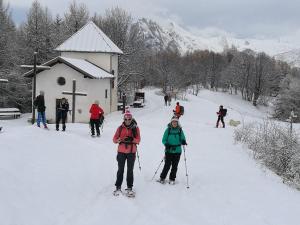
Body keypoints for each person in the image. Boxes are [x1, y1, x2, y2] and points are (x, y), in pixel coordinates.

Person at [112, 110, 141, 196]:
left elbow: (138, 140)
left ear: (132, 119)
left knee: (130, 170)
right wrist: (118, 140)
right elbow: (114, 139)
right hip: (121, 151)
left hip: (131, 152)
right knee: (120, 169)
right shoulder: (120, 128)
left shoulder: (136, 128)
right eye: (126, 119)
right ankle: (118, 187)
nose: (127, 120)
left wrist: (132, 139)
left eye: (129, 119)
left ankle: (129, 188)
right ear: (123, 119)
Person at [158, 116, 187, 185]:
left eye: (176, 122)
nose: (174, 123)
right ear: (171, 122)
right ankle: (162, 177)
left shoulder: (180, 130)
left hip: (177, 151)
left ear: (177, 123)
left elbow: (183, 138)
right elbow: (163, 139)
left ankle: (172, 179)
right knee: (167, 165)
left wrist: (183, 141)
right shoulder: (168, 130)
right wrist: (166, 144)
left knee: (175, 165)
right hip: (169, 150)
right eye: (173, 122)